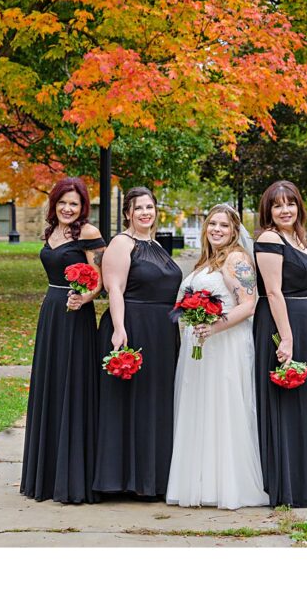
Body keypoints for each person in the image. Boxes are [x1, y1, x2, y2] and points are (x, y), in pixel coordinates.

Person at [166, 204, 268, 509]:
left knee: (222, 409)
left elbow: (249, 304)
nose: (217, 230)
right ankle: (198, 482)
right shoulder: (206, 261)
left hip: (225, 346)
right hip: (200, 348)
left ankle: (226, 485)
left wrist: (215, 326)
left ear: (235, 230)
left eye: (224, 226)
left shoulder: (237, 259)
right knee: (200, 408)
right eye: (212, 224)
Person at [252, 181, 307, 507]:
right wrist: (286, 337)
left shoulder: (297, 238)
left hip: (302, 317)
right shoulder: (270, 239)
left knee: (303, 398)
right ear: (269, 211)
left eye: (290, 203)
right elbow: (273, 291)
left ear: (299, 206)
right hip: (280, 322)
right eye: (278, 205)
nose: (285, 210)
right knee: (284, 398)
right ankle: (287, 483)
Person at [93, 187, 182, 499]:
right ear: (127, 213)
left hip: (163, 331)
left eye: (150, 207)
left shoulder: (155, 244)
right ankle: (123, 478)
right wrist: (119, 327)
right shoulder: (122, 243)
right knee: (131, 402)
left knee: (157, 402)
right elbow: (114, 288)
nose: (146, 212)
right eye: (138, 208)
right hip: (134, 326)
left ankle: (154, 477)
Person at [21, 177, 106, 503]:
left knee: (73, 385)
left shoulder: (87, 233)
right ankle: (45, 475)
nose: (68, 208)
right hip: (51, 312)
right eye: (63, 202)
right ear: (54, 204)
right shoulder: (51, 231)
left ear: (82, 207)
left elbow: (100, 278)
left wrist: (85, 298)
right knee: (51, 385)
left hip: (75, 313)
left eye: (74, 203)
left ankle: (73, 476)